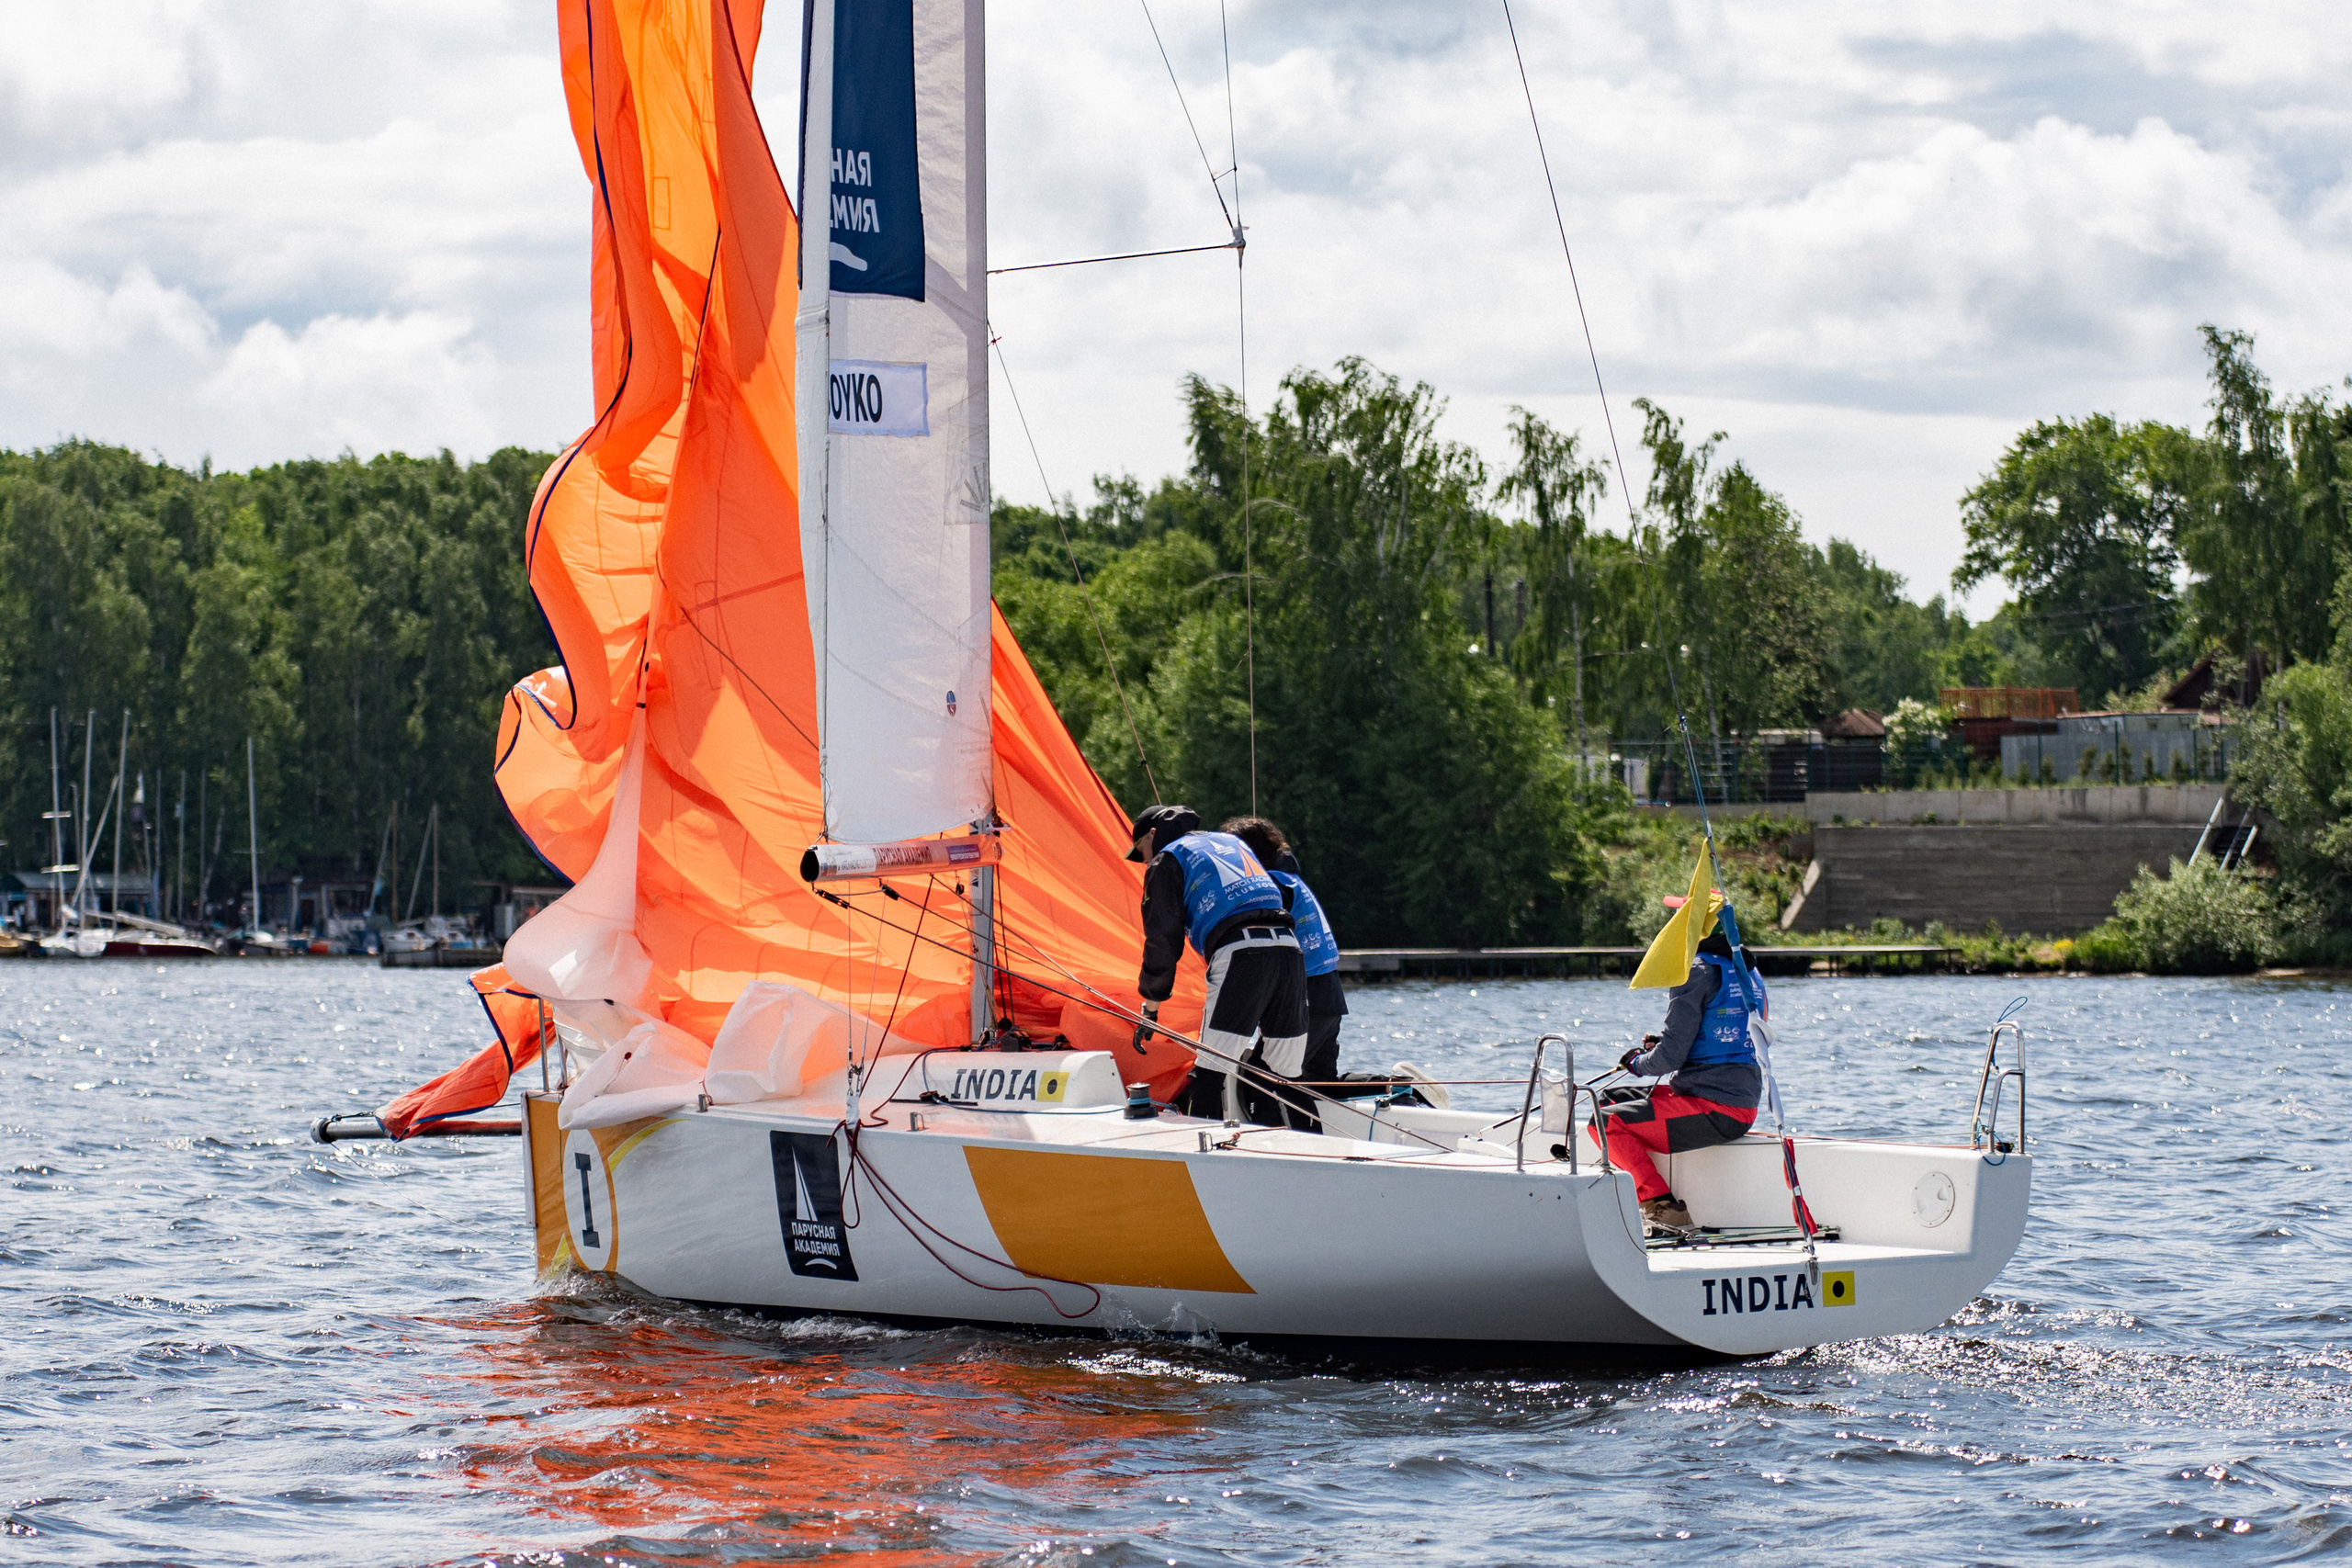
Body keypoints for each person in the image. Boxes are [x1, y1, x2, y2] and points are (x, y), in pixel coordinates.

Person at [1127, 804, 1307, 1122]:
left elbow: (1162, 939)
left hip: (1241, 953)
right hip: (1289, 949)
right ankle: (1303, 1156)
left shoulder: (1167, 858)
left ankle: (1202, 1152)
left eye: (1139, 850)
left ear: (1152, 834)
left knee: (1210, 1071)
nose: (1142, 861)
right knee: (1283, 1078)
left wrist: (1151, 1006)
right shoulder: (1232, 842)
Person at [1591, 919, 1765, 1232]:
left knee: (1603, 1123)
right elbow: (1723, 1037)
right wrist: (1660, 1047)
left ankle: (1662, 1205)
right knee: (1606, 1101)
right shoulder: (1747, 970)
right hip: (1740, 1102)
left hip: (1716, 1108)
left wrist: (1636, 1063)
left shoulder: (1695, 972)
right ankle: (1634, 1189)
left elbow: (1668, 1060)